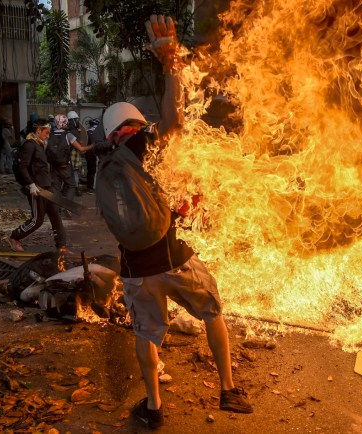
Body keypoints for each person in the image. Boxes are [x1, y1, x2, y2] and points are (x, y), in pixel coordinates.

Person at [96, 15, 253, 430]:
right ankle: (228, 390)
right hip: (174, 258)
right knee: (212, 311)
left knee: (146, 336)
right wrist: (171, 63)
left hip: (136, 270)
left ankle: (153, 407)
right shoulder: (141, 145)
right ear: (132, 124)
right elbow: (174, 120)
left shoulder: (105, 167)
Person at [8, 119, 67, 253]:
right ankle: (14, 237)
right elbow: (23, 167)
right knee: (37, 220)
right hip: (37, 188)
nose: (48, 136)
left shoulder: (40, 144)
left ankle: (61, 246)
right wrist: (31, 185)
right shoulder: (29, 145)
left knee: (55, 216)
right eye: (46, 133)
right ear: (38, 131)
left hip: (47, 186)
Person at [47, 114, 91, 214]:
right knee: (71, 185)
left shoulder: (49, 135)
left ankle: (56, 209)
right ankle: (67, 207)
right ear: (65, 122)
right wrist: (92, 145)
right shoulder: (68, 135)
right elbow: (81, 149)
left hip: (54, 167)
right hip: (65, 166)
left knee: (56, 188)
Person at [67, 111, 89, 196]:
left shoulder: (69, 131)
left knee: (72, 173)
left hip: (70, 154)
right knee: (75, 172)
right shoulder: (75, 131)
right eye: (76, 120)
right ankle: (75, 189)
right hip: (74, 153)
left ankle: (72, 189)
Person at [85, 118, 105, 193]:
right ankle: (91, 188)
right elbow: (96, 145)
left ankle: (89, 186)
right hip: (93, 155)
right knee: (93, 172)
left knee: (89, 171)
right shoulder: (95, 133)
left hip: (87, 154)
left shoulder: (87, 131)